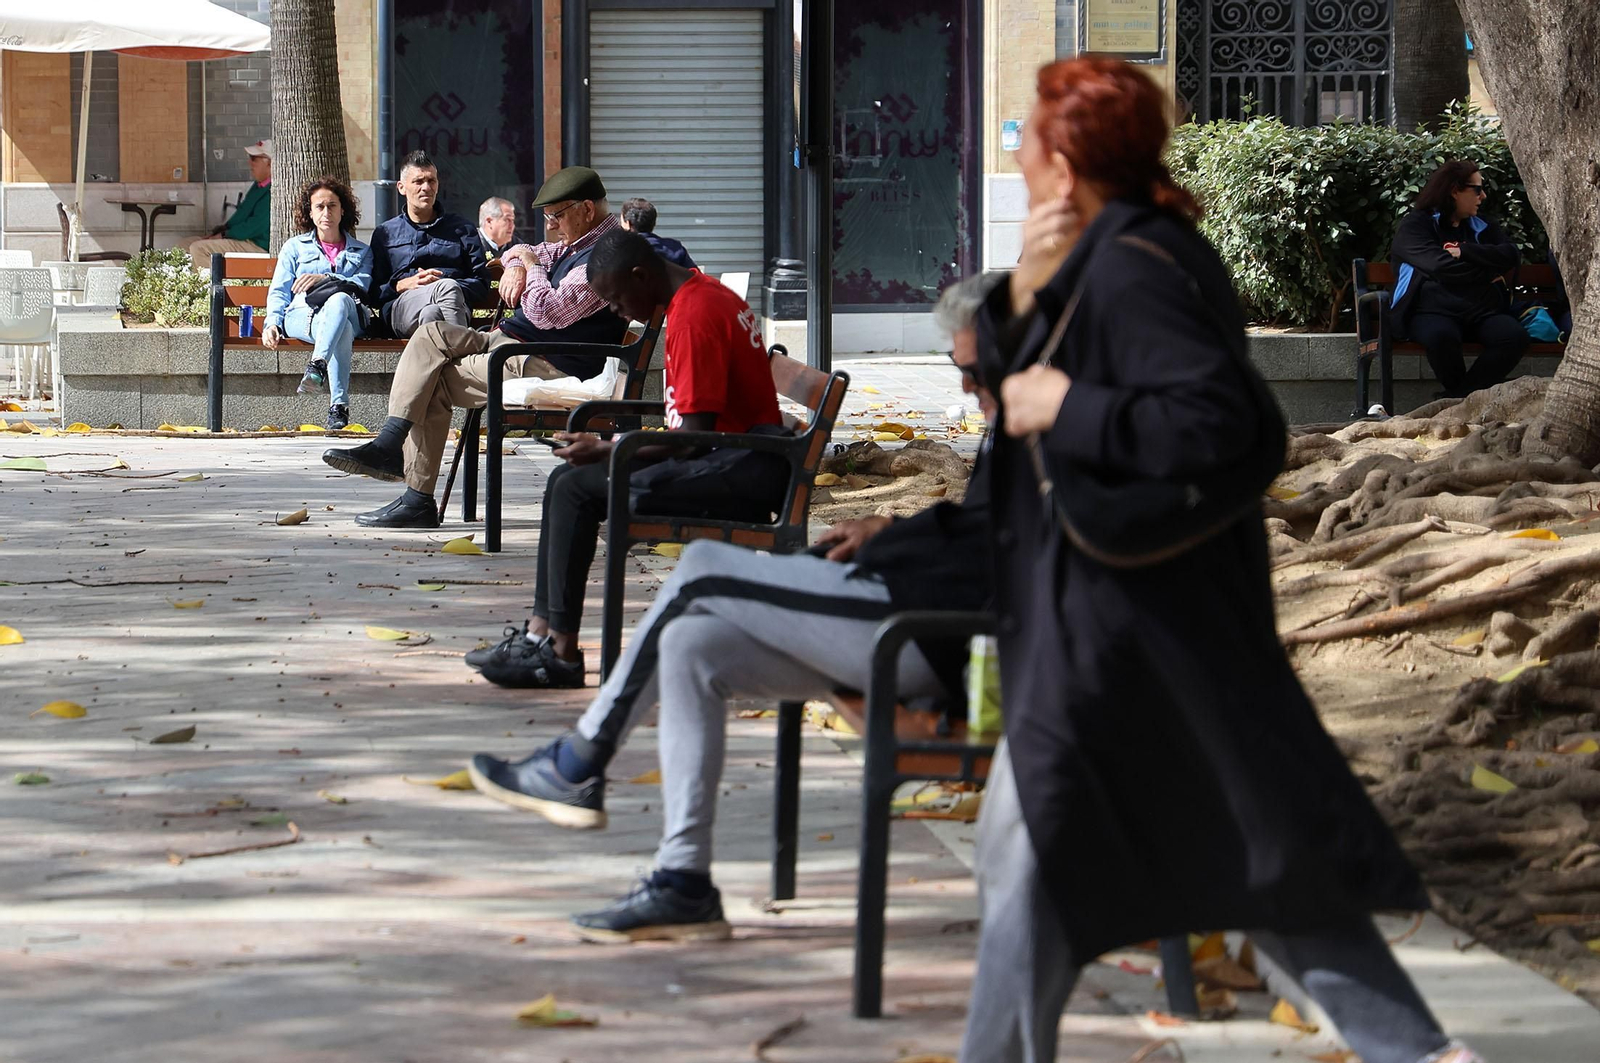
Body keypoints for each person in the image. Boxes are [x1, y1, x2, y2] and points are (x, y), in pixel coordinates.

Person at [962, 57, 1480, 1063]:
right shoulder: (1107, 252)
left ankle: (1417, 1052)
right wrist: (1033, 283)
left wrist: (1065, 406)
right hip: (1122, 627)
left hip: (1132, 632)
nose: (1016, 153)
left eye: (1027, 137)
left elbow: (1219, 424)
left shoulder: (1131, 260)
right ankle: (1415, 1051)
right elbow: (1019, 366)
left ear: (1065, 162)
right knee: (1211, 861)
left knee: (1118, 862)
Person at [464, 272, 1000, 941]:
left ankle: (579, 760)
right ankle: (683, 878)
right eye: (958, 366)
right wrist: (892, 529)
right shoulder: (1019, 423)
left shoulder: (1049, 430)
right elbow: (983, 531)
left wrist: (898, 535)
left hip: (929, 633)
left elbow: (1000, 551)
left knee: (701, 570)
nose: (964, 386)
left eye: (974, 369)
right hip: (907, 601)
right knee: (693, 646)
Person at [437, 226, 788, 689]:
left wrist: (609, 447)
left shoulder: (695, 315)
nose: (620, 312)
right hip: (740, 456)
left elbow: (694, 437)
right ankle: (545, 638)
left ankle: (557, 650)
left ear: (641, 276)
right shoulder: (702, 294)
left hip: (739, 469)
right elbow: (691, 425)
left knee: (576, 489)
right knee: (568, 481)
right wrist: (610, 449)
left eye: (619, 302)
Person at [320, 166, 630, 529]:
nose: (551, 226)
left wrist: (530, 267)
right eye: (548, 217)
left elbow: (549, 311)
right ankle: (390, 444)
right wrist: (519, 264)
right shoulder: (574, 242)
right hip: (513, 342)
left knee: (430, 380)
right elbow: (522, 249)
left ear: (587, 210)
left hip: (547, 359)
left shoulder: (605, 257)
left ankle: (416, 496)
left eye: (556, 216)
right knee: (430, 335)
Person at [1390, 159, 1527, 398]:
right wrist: (1487, 273)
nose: (1483, 196)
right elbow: (1441, 267)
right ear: (1454, 191)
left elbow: (1511, 254)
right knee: (1441, 337)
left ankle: (1456, 399)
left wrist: (1466, 251)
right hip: (1430, 311)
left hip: (1481, 312)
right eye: (1477, 189)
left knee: (1513, 337)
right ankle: (1462, 399)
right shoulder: (1416, 225)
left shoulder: (1482, 225)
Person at [261, 177, 372, 431]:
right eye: (319, 207)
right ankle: (338, 408)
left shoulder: (361, 252)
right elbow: (279, 291)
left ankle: (317, 365)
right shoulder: (295, 248)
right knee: (340, 328)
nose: (326, 212)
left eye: (332, 206)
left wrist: (327, 278)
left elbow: (363, 285)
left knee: (341, 301)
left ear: (343, 210)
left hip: (350, 313)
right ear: (310, 213)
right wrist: (272, 323)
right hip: (303, 317)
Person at [366, 150, 491, 338]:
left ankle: (441, 365)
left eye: (431, 181)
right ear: (401, 187)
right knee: (446, 289)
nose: (426, 187)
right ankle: (463, 361)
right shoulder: (386, 233)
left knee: (431, 313)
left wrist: (441, 286)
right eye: (418, 181)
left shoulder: (462, 229)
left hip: (451, 304)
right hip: (403, 309)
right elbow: (373, 292)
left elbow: (481, 284)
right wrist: (401, 285)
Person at [184, 140, 272, 268]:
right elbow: (241, 215)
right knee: (185, 245)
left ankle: (214, 286)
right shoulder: (258, 186)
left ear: (269, 163)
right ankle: (194, 284)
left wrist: (224, 235)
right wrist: (221, 230)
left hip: (257, 245)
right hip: (242, 239)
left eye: (254, 159)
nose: (250, 163)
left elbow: (254, 226)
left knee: (199, 249)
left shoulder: (273, 190)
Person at [619, 197, 697, 269]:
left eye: (621, 221)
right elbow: (696, 277)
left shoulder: (620, 252)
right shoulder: (675, 248)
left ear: (628, 224)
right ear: (654, 223)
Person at [478, 196, 518, 262]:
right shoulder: (471, 244)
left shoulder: (516, 245)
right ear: (489, 221)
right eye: (507, 220)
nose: (512, 225)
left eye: (512, 220)